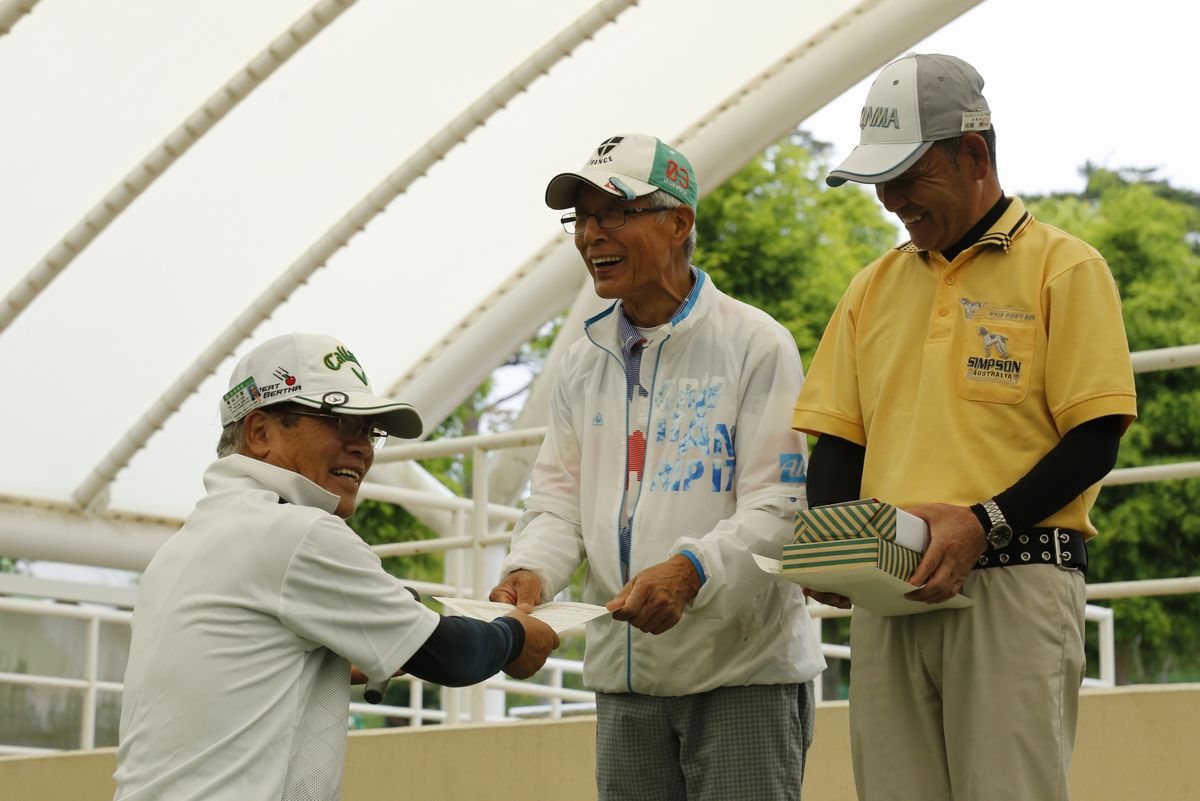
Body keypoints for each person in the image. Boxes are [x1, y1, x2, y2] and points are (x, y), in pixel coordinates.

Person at [793, 54, 1138, 801]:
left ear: (975, 154)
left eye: (909, 175)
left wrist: (985, 520)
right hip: (889, 595)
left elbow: (1096, 435)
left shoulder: (1065, 269)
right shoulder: (871, 288)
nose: (890, 199)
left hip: (1016, 582)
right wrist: (827, 541)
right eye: (879, 179)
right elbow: (838, 440)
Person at [490, 133, 825, 800]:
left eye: (613, 213)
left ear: (678, 222)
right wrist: (528, 572)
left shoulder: (756, 344)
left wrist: (690, 570)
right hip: (624, 683)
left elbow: (780, 507)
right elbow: (556, 502)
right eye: (580, 218)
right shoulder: (581, 364)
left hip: (741, 679)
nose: (591, 235)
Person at [113, 332, 558, 801]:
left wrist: (359, 655)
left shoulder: (187, 544)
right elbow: (451, 654)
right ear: (260, 432)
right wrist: (516, 636)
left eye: (369, 431)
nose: (362, 447)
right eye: (340, 423)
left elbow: (240, 671)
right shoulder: (297, 532)